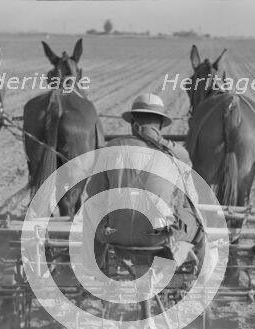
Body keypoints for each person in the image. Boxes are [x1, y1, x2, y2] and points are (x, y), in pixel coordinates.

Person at [83, 93, 205, 271]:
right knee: (198, 223)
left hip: (115, 236)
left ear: (133, 123)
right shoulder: (178, 155)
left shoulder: (110, 150)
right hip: (159, 238)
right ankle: (200, 276)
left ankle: (95, 268)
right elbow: (193, 199)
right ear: (161, 124)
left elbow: (93, 194)